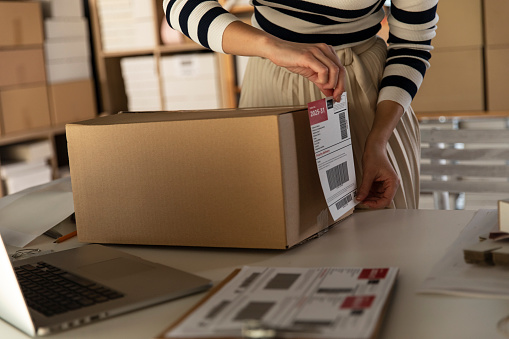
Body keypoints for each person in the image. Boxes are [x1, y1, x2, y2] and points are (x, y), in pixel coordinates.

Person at [163, 0, 438, 209]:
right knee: (275, 234)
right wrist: (269, 45)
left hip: (370, 95)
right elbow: (179, 5)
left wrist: (378, 139)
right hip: (273, 79)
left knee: (385, 241)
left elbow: (412, 44)